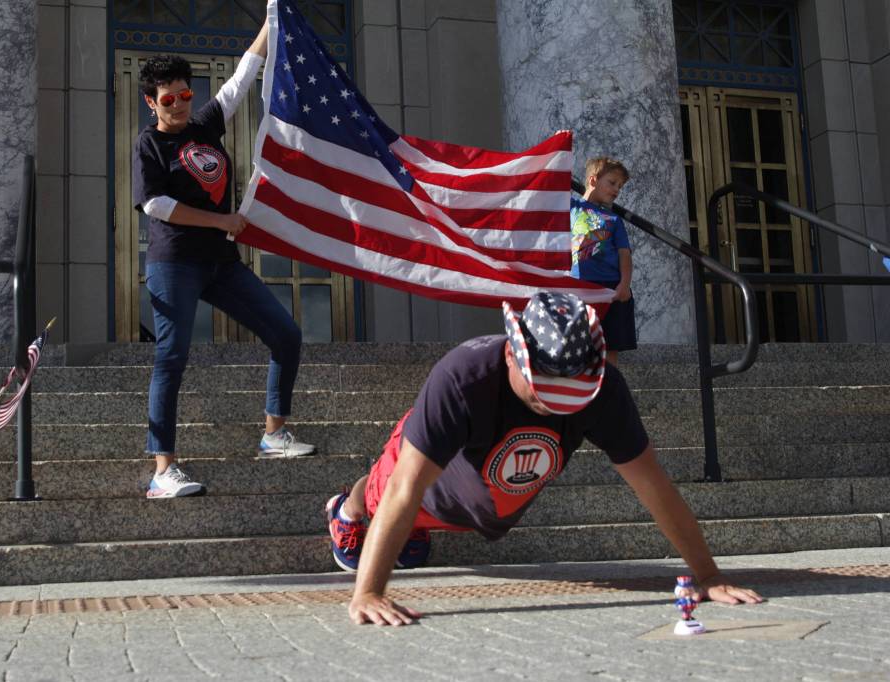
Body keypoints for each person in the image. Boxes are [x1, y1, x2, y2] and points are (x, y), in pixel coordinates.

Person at [325, 291, 763, 625]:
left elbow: (654, 486)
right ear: (512, 354)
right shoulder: (463, 377)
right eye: (542, 391)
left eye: (568, 394)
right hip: (422, 478)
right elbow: (406, 486)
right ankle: (348, 509)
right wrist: (368, 592)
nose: (552, 405)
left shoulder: (604, 390)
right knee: (386, 492)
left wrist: (709, 575)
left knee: (433, 514)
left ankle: (411, 531)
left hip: (485, 500)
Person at [133, 21, 315, 499]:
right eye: (168, 99)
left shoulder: (204, 125)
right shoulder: (149, 143)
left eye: (185, 95)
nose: (179, 105)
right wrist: (221, 220)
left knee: (286, 334)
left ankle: (274, 433)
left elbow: (242, 77)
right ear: (151, 102)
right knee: (171, 356)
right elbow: (155, 205)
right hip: (174, 263)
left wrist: (271, 21)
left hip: (221, 261)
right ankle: (162, 470)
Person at [571, 157, 635, 366]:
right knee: (578, 344)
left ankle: (610, 383)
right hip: (579, 287)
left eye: (620, 186)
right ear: (593, 180)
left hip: (610, 289)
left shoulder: (614, 220)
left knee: (609, 347)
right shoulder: (571, 208)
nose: (616, 190)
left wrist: (624, 284)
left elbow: (624, 254)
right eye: (612, 183)